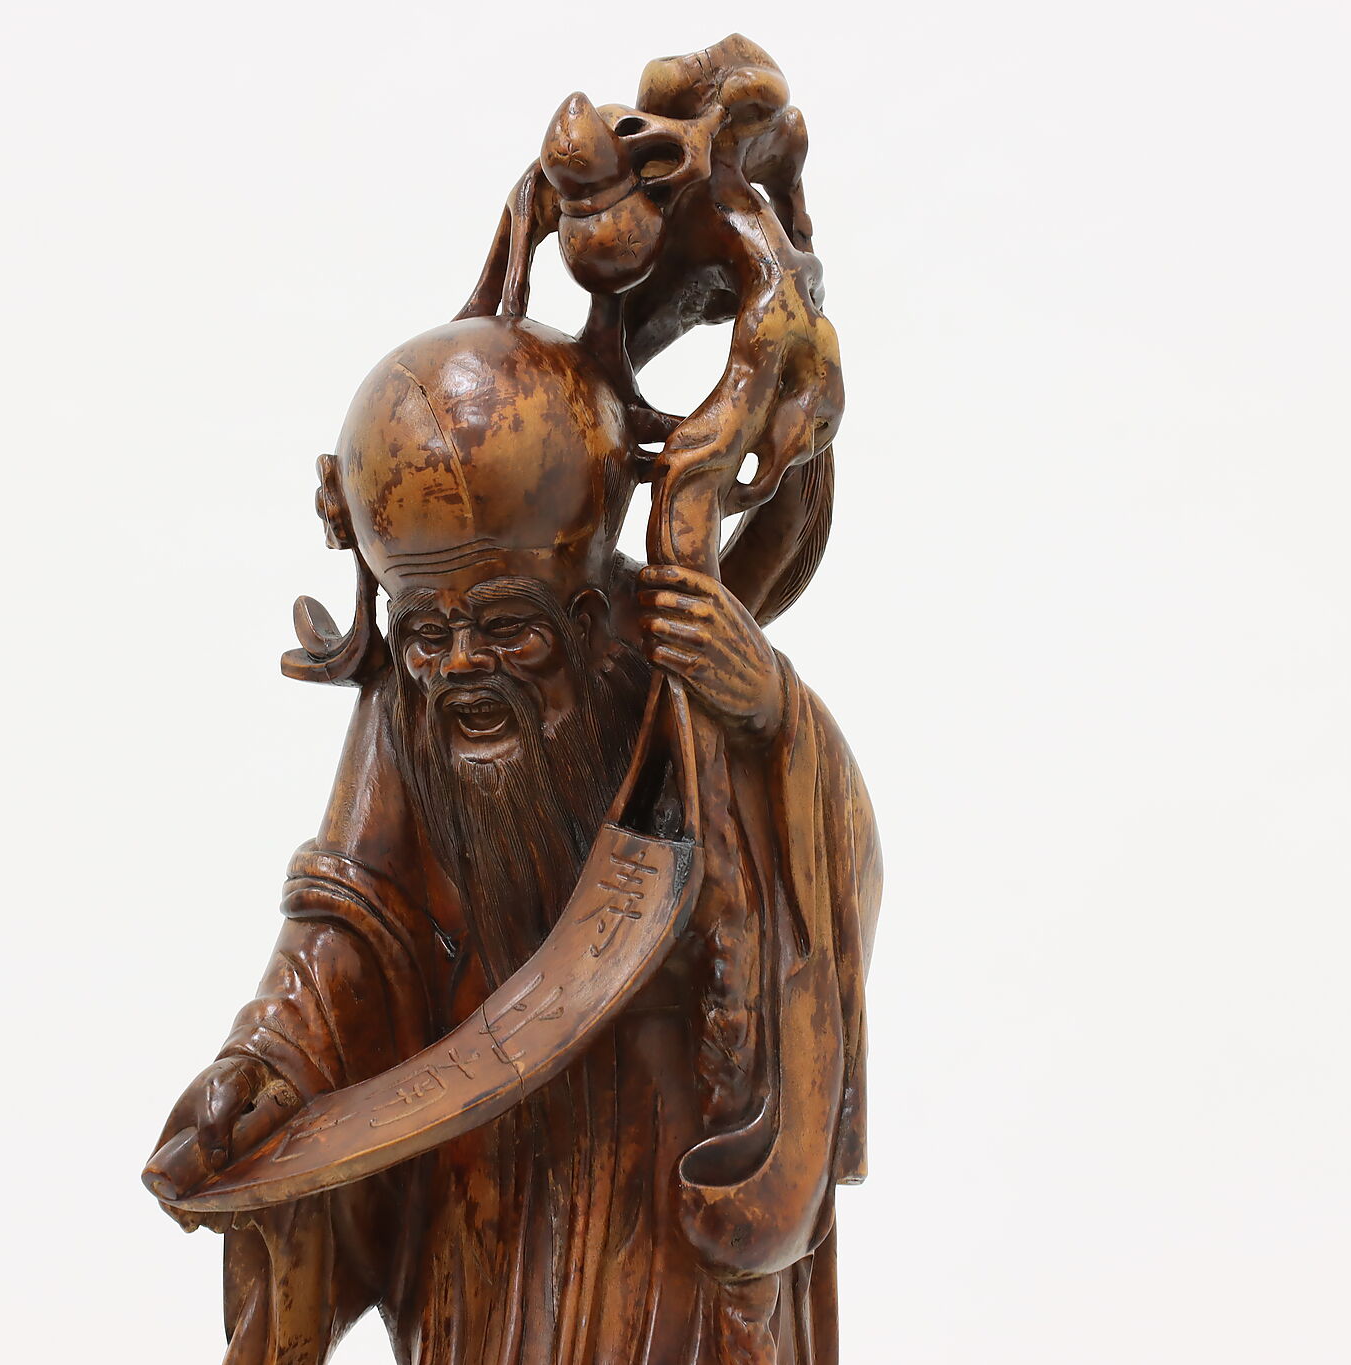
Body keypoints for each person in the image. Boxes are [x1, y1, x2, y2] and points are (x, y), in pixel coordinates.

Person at [148, 314, 880, 1364]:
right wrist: (264, 1060)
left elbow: (832, 867)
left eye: (505, 627)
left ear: (584, 610)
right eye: (427, 632)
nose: (459, 666)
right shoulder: (408, 711)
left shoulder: (671, 665)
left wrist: (768, 711)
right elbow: (348, 918)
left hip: (664, 1155)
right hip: (482, 1166)